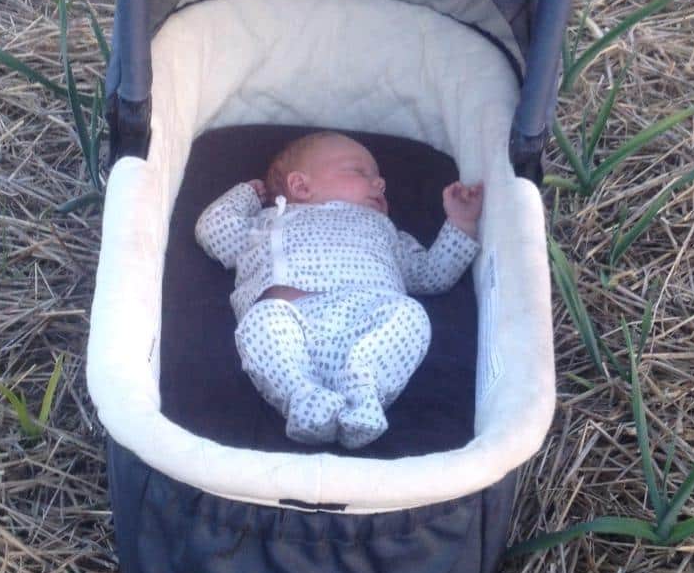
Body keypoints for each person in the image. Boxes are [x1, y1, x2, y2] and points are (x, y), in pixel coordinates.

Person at [195, 132, 483, 448]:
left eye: (381, 180)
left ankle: (363, 391)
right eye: (360, 172)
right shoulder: (270, 222)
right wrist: (247, 195)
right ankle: (301, 395)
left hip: (366, 326)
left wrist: (461, 222)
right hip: (292, 321)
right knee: (262, 323)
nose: (380, 184)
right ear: (301, 186)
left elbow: (432, 274)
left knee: (411, 315)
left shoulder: (386, 232)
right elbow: (214, 230)